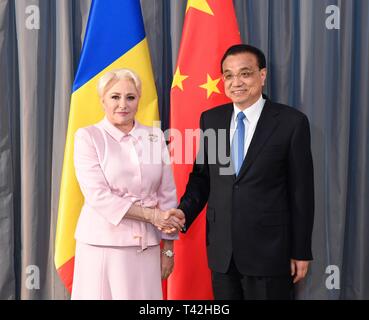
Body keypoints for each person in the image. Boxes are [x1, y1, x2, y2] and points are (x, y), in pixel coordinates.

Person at [172, 44, 314, 299]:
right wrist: (183, 211)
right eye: (228, 75)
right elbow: (203, 178)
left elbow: (301, 192)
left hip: (270, 253)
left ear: (262, 75)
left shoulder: (291, 123)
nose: (236, 82)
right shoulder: (211, 120)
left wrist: (301, 250)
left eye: (245, 73)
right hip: (223, 253)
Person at [71, 68, 185, 300]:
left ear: (138, 100)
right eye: (115, 97)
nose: (123, 104)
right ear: (102, 99)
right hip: (102, 246)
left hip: (148, 247)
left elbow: (167, 195)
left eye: (130, 97)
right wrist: (152, 216)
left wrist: (169, 249)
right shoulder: (88, 137)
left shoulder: (154, 137)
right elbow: (99, 196)